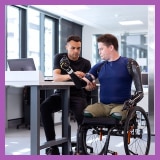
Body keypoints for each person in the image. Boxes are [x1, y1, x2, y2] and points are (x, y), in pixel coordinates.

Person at [65, 33, 144, 121]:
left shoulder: (129, 63)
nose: (99, 52)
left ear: (111, 47)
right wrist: (69, 71)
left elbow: (140, 93)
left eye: (101, 49)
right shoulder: (99, 66)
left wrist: (131, 102)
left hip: (121, 105)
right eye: (98, 49)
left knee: (116, 115)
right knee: (85, 113)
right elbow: (80, 84)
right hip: (103, 106)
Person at [40, 35, 91, 155]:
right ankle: (52, 146)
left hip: (78, 96)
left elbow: (87, 84)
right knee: (44, 107)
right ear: (66, 47)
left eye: (78, 48)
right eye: (73, 48)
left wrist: (87, 83)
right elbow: (56, 77)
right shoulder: (60, 58)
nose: (76, 51)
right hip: (60, 94)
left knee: (82, 116)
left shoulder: (86, 63)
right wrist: (72, 74)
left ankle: (81, 147)